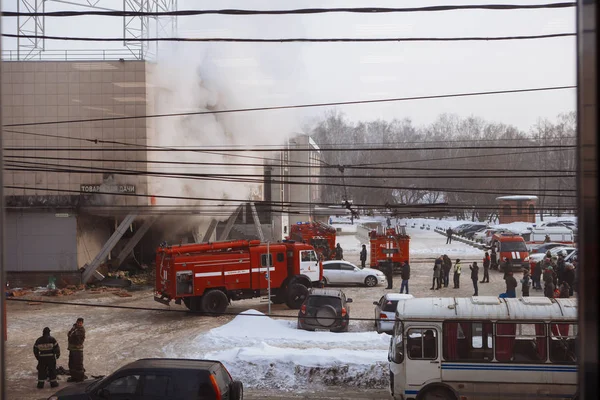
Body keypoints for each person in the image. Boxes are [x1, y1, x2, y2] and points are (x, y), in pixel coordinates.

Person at [67, 318, 86, 382]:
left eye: (80, 323)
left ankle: (80, 379)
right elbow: (69, 335)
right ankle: (74, 377)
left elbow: (77, 339)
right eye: (78, 322)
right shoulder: (74, 328)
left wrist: (72, 334)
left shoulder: (81, 330)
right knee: (71, 364)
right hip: (72, 349)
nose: (79, 324)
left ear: (82, 323)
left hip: (78, 349)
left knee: (78, 365)